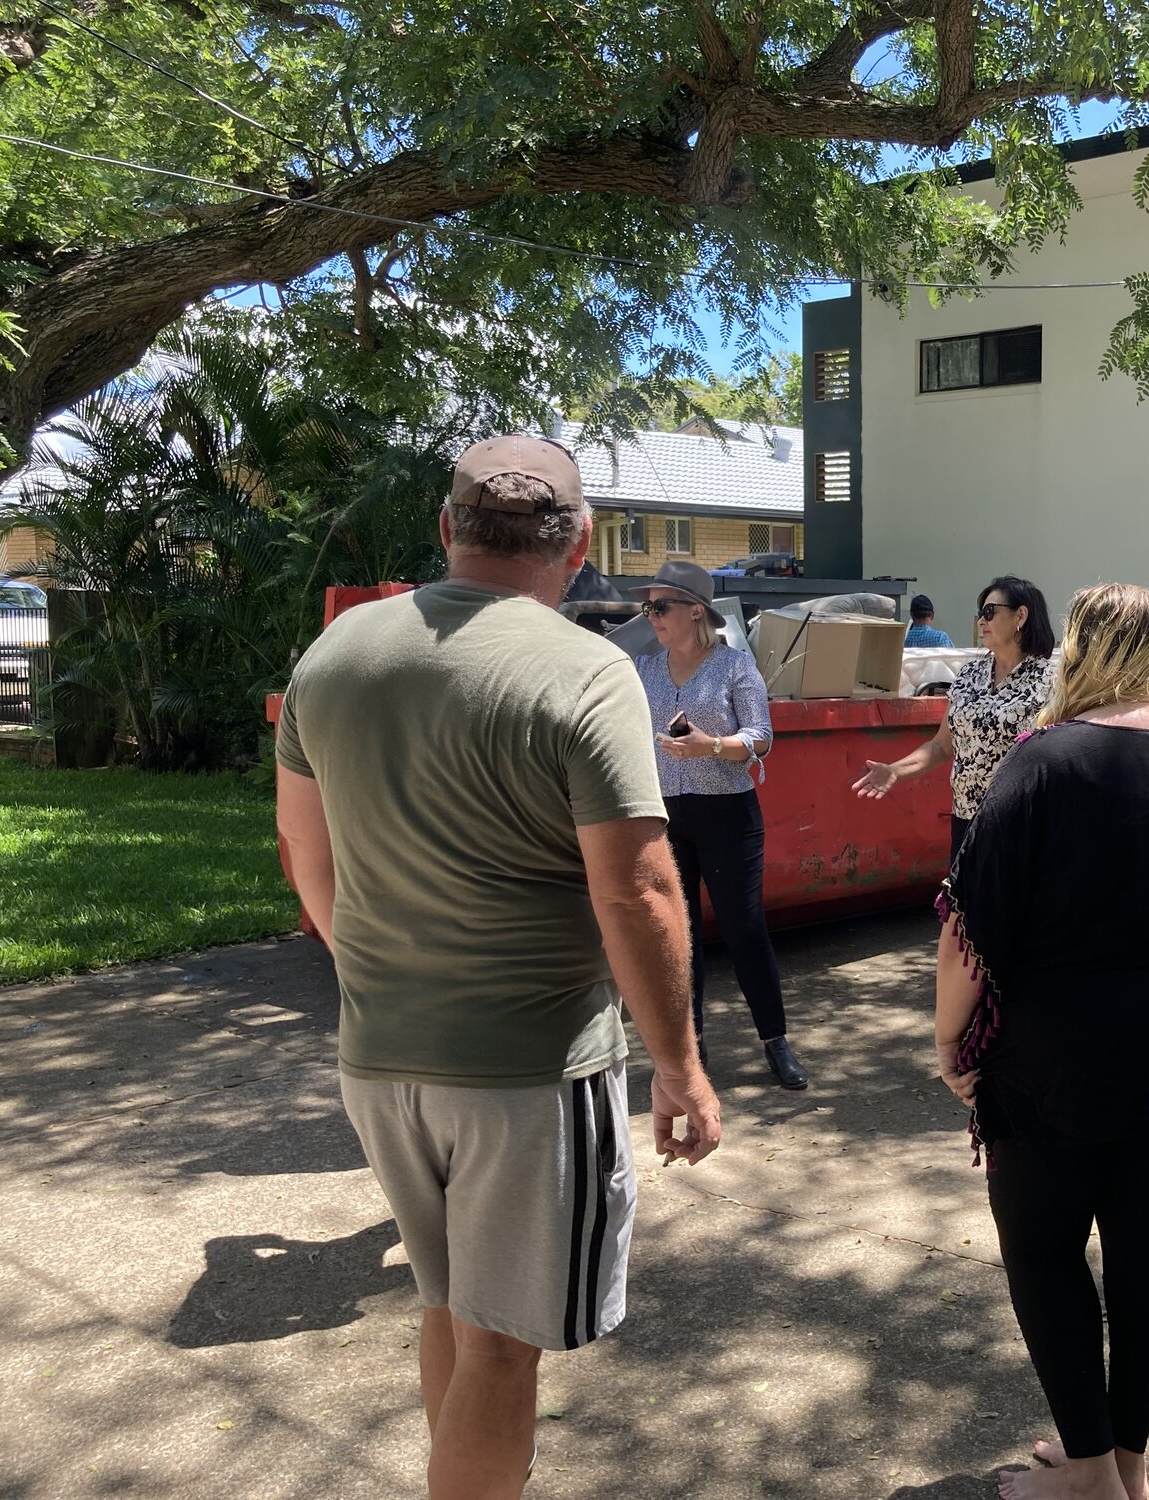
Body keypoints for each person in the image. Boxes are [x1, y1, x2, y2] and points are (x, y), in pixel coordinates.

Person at [273, 436, 721, 1499]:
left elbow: (307, 852)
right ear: (580, 542)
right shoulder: (584, 668)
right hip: (525, 1070)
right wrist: (681, 1068)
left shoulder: (335, 655)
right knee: (504, 1345)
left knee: (451, 1307)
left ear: (446, 530)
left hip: (379, 1057)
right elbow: (638, 891)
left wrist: (379, 966)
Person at [934, 582, 1149, 1500]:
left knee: (1044, 1248)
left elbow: (971, 924)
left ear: (1079, 651)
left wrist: (949, 1042)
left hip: (1061, 1049)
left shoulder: (1041, 761)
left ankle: (1089, 1472)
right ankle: (1123, 1458)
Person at [631, 560, 809, 1091]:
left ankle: (775, 1041)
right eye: (648, 607)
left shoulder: (734, 666)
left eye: (660, 607)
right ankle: (691, 1047)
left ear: (695, 611)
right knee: (679, 935)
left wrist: (708, 744)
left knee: (744, 929)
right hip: (667, 814)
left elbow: (761, 737)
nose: (652, 616)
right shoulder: (643, 669)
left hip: (728, 814)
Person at [851, 576, 1057, 863]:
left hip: (1021, 822)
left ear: (1020, 615)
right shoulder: (969, 674)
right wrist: (896, 771)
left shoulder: (1051, 682)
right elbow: (941, 746)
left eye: (990, 612)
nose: (981, 622)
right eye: (979, 614)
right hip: (966, 818)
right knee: (963, 905)